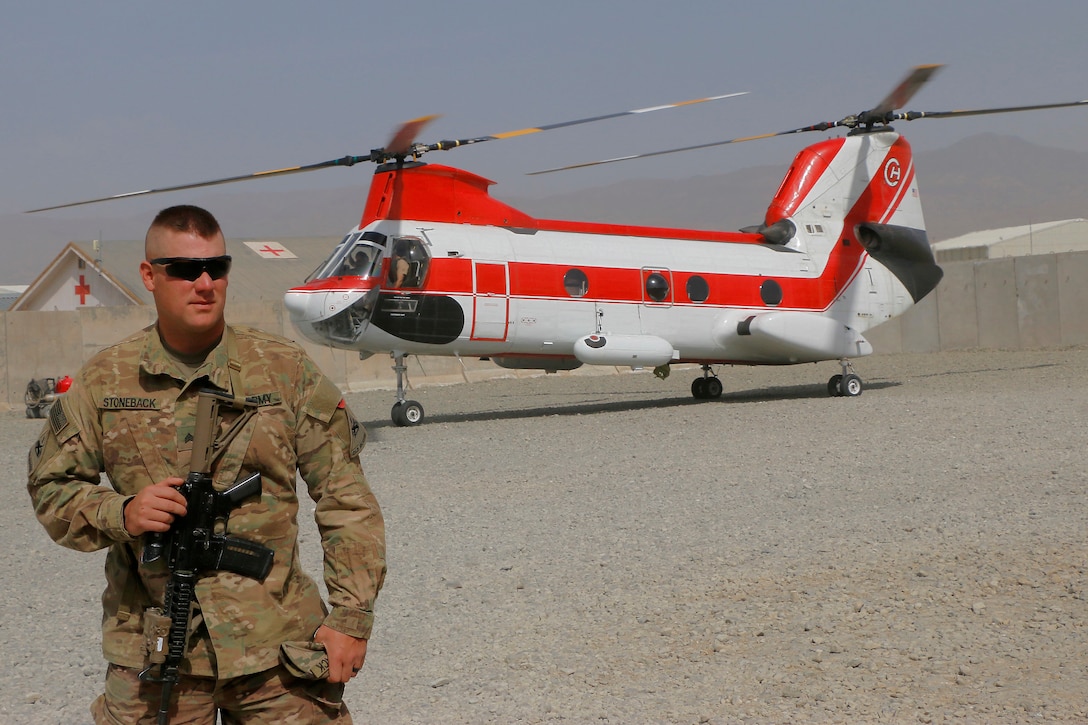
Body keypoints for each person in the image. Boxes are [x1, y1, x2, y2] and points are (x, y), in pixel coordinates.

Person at [27, 205, 386, 724]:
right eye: (183, 269)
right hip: (155, 654)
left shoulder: (284, 371)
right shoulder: (105, 381)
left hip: (277, 653)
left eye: (216, 268)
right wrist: (121, 513)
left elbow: (345, 497)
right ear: (150, 275)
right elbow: (51, 488)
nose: (204, 282)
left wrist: (351, 618)